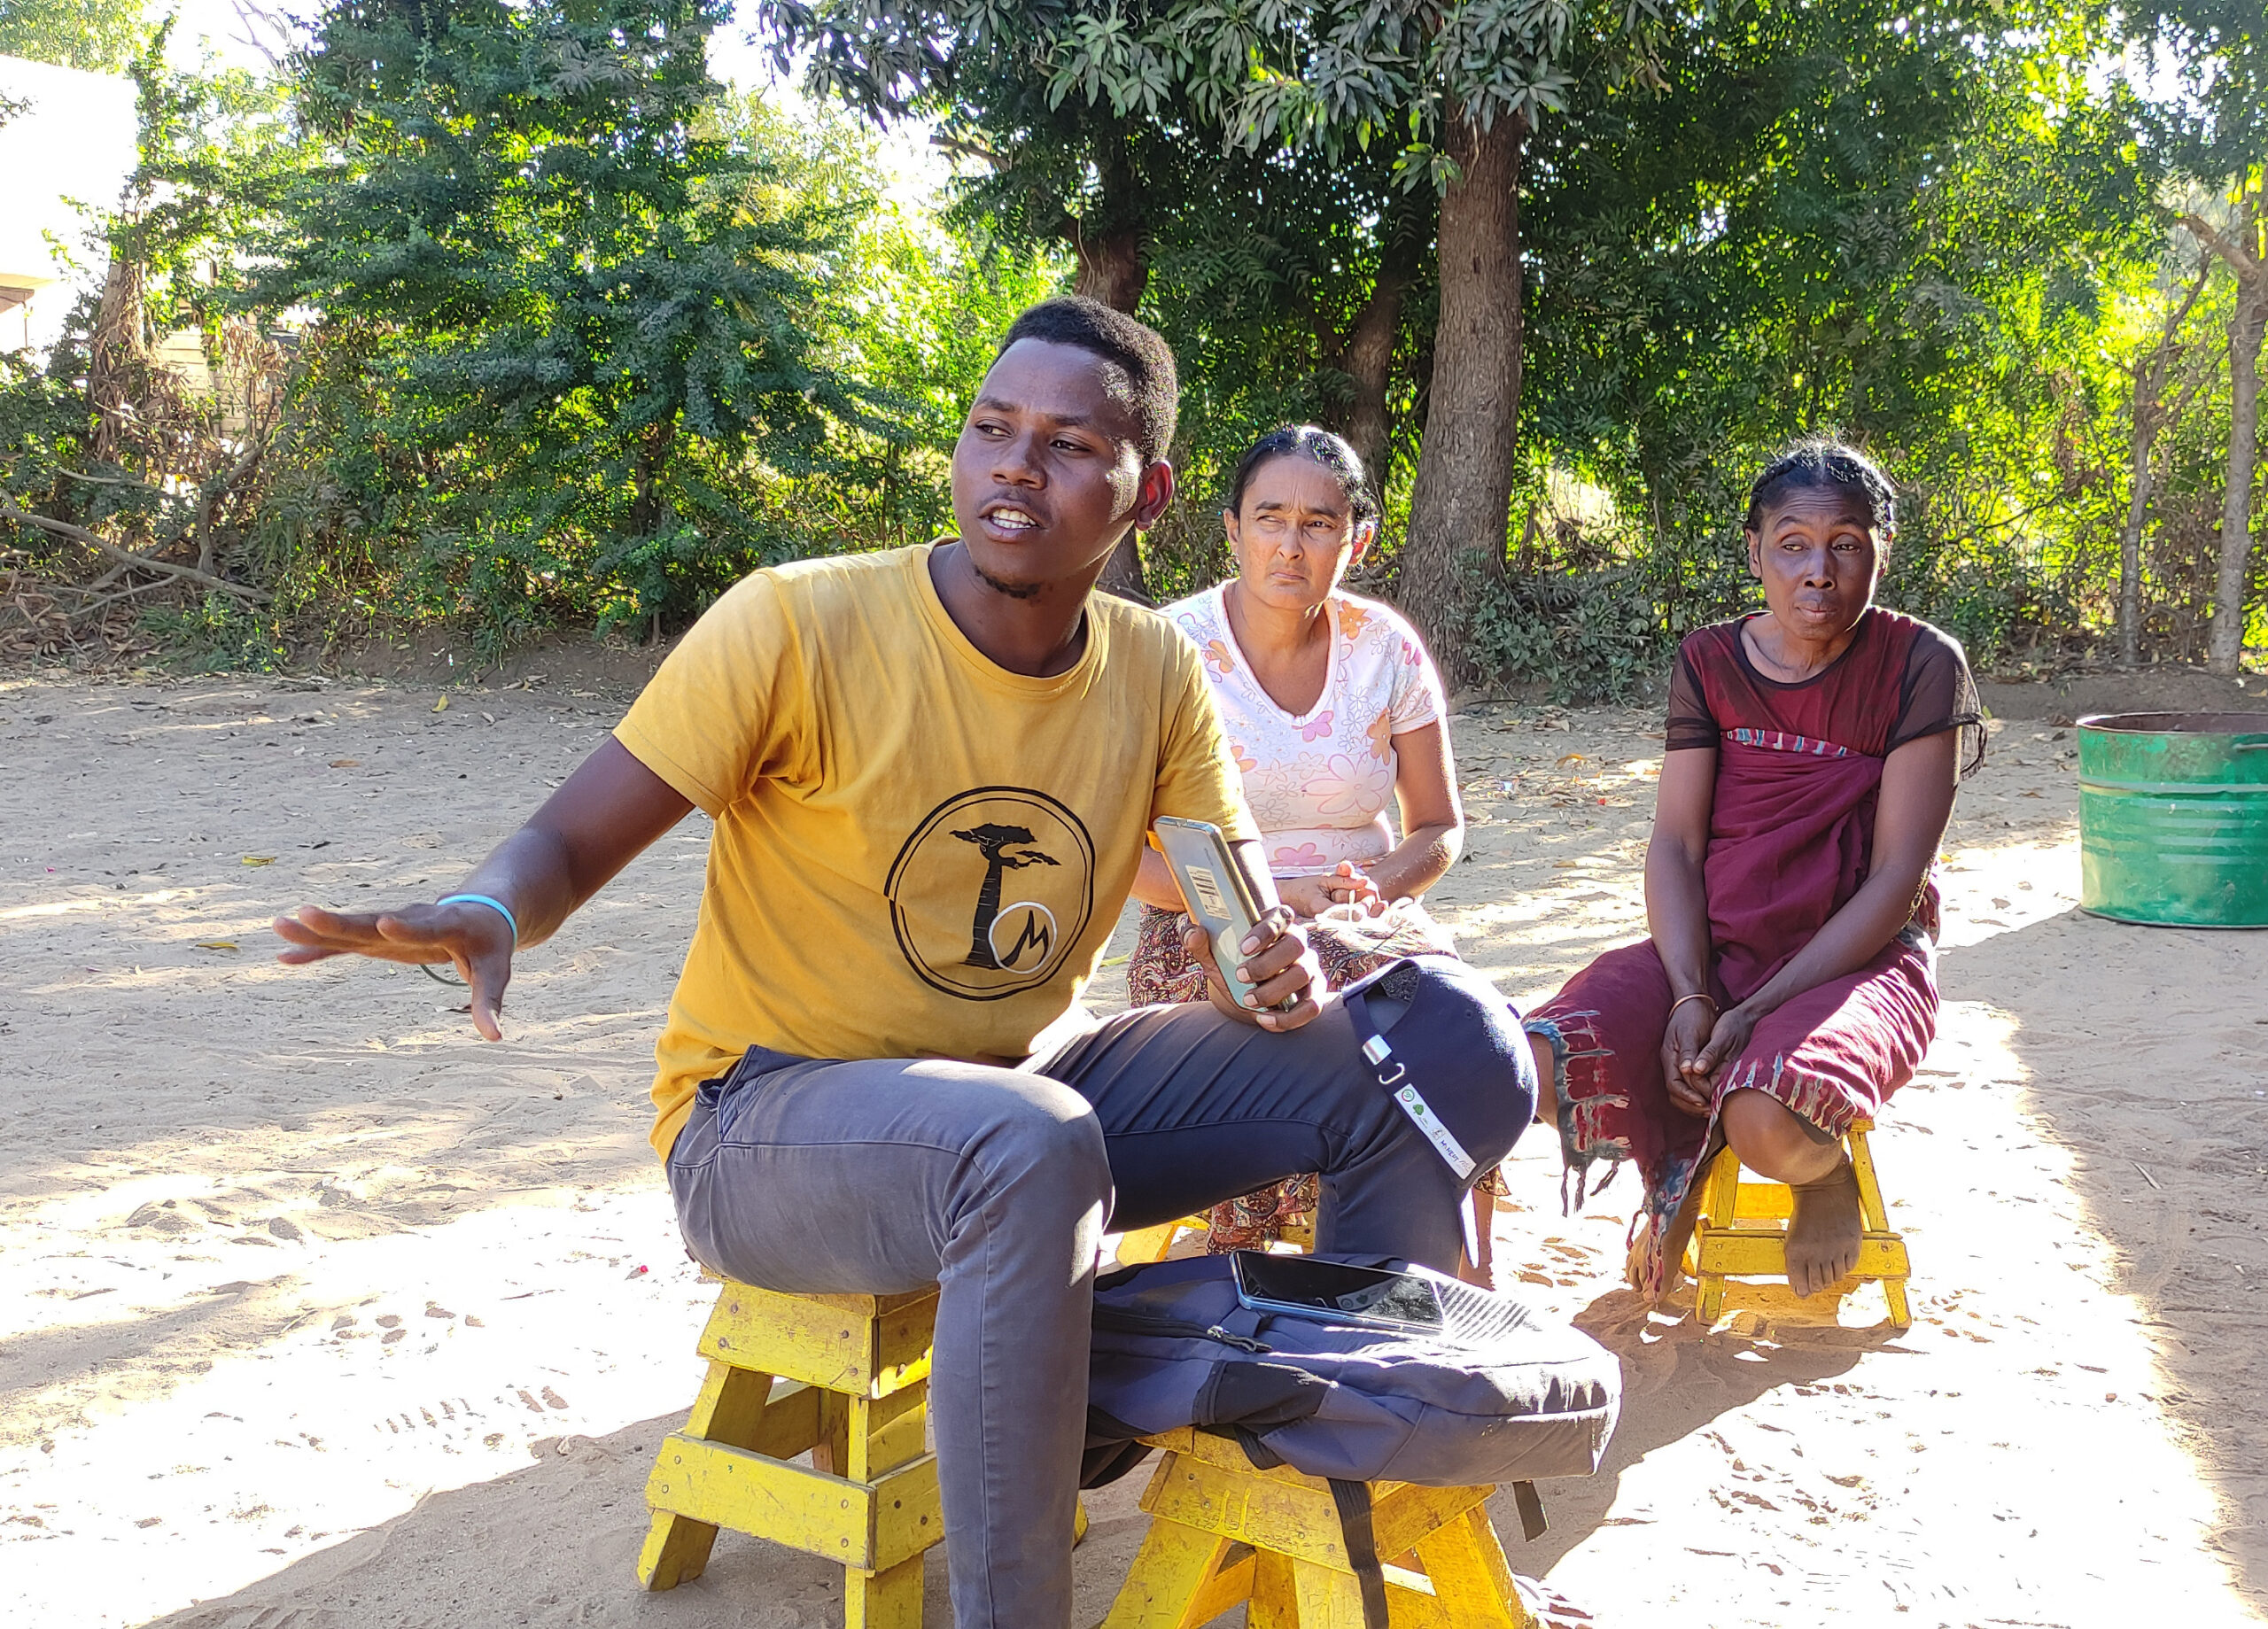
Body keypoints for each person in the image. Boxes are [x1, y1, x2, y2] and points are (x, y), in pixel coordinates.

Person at [270, 299, 1535, 1629]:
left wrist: (1259, 966)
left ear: (1144, 490)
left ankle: (1348, 1504)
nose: (1012, 464)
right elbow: (572, 835)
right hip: (761, 1120)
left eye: (1062, 442)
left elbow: (1224, 906)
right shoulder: (800, 621)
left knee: (1435, 1038)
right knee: (1027, 1144)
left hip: (1018, 1094)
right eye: (992, 428)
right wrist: (492, 908)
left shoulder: (1156, 665)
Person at [1525, 440, 1984, 1301]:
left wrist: (1754, 1013)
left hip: (1858, 958)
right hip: (1719, 943)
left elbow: (1893, 882)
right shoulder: (1708, 660)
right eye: (1792, 544)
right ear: (1754, 554)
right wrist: (1694, 995)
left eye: (1846, 544)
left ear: (1882, 551)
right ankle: (1688, 1158)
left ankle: (1822, 1178)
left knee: (1765, 1119)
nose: (1819, 572)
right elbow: (1674, 847)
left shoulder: (1921, 666)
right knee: (1541, 1065)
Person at [1123, 424, 1500, 1268]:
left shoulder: (1387, 650)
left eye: (1319, 523)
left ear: (1356, 539)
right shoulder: (1168, 651)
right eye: (1269, 518)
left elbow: (1439, 826)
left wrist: (1379, 881)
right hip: (1206, 923)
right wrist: (1268, 903)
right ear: (1232, 530)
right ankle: (1329, 1259)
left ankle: (1453, 1272)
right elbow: (1118, 851)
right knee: (1299, 992)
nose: (1290, 546)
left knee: (1452, 1019)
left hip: (1367, 917)